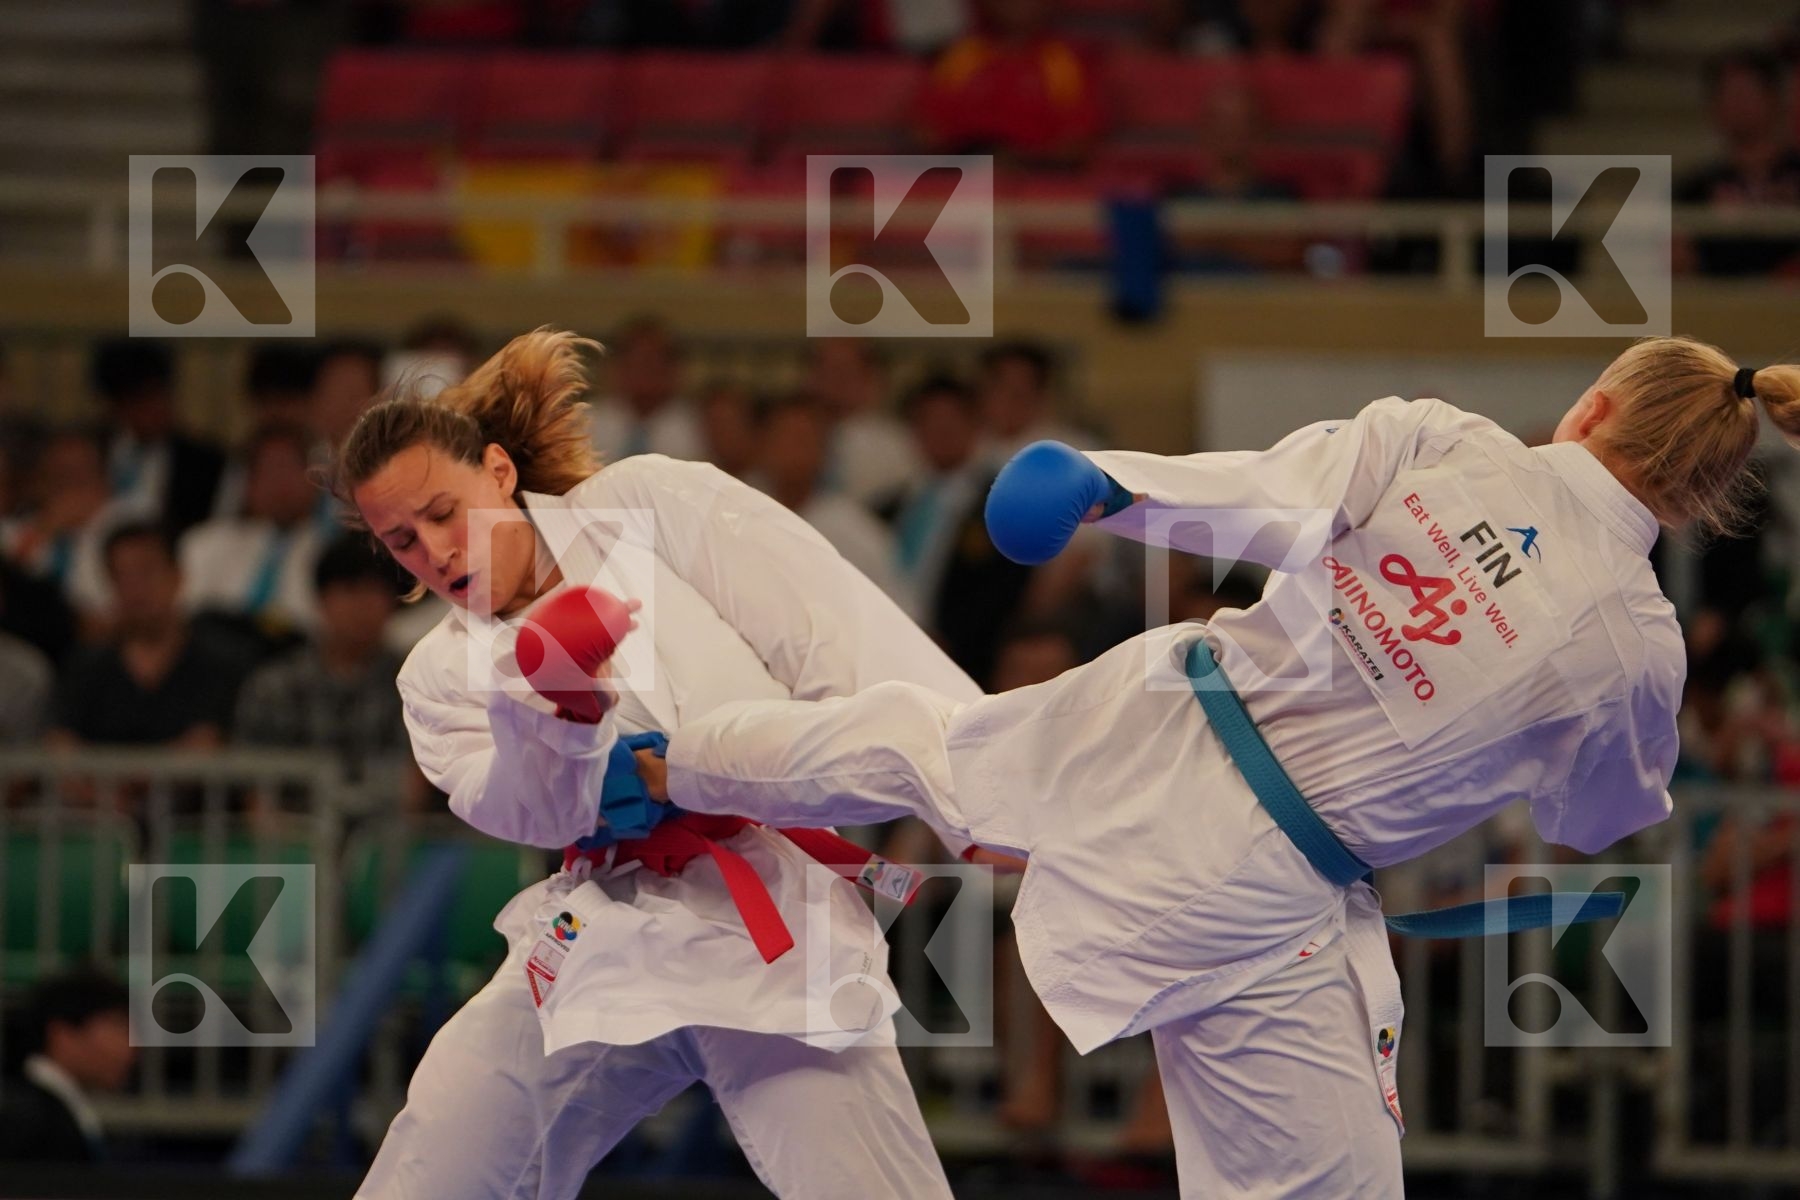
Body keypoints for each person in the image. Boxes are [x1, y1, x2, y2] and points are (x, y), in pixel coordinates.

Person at [640, 336, 1792, 1197]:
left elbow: (1262, 496)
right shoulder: (1639, 650)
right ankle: (673, 763)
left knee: (915, 746)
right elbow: (1596, 821)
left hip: (1157, 719)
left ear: (1590, 406)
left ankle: (663, 760)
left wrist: (1108, 489)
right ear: (1699, 504)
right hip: (1253, 891)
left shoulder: (1449, 440)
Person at [334, 328, 975, 1200]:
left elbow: (830, 632)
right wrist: (560, 707)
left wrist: (972, 784)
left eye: (441, 513)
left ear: (497, 470)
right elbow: (529, 814)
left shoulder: (645, 503)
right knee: (436, 1159)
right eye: (401, 542)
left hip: (770, 913)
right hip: (600, 923)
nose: (434, 553)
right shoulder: (440, 674)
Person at [0, 967, 136, 1164]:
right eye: (118, 1026)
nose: (132, 1044)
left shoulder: (45, 1114)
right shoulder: (32, 1124)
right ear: (62, 1034)